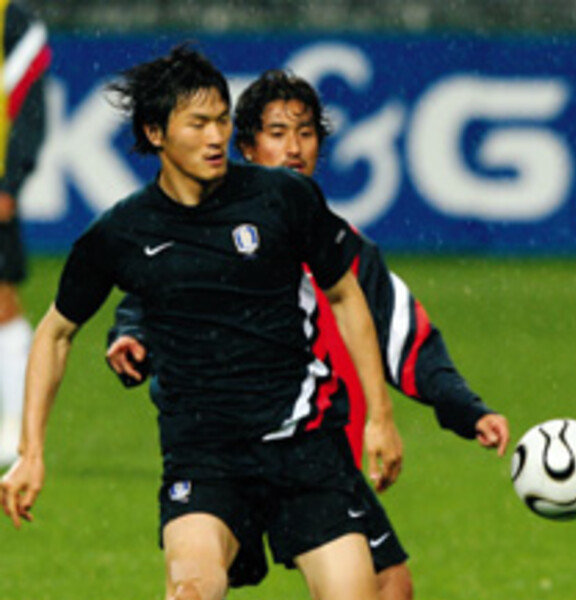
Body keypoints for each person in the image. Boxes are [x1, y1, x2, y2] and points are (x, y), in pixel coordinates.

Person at [0, 46, 404, 600]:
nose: (216, 137)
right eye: (198, 124)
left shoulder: (282, 197)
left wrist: (380, 416)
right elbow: (55, 333)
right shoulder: (122, 233)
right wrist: (31, 452)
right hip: (204, 456)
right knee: (192, 589)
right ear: (156, 133)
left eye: (221, 120)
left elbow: (344, 294)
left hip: (303, 444)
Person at [106, 69, 510, 600]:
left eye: (305, 133)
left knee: (390, 586)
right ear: (246, 147)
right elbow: (153, 292)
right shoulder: (205, 229)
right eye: (277, 133)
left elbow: (406, 338)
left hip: (311, 449)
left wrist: (466, 409)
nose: (294, 148)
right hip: (219, 450)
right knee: (199, 582)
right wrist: (130, 333)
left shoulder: (341, 247)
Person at [0, 1, 51, 465]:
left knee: (1, 301)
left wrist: (11, 182)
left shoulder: (11, 19)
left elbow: (31, 105)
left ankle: (17, 425)